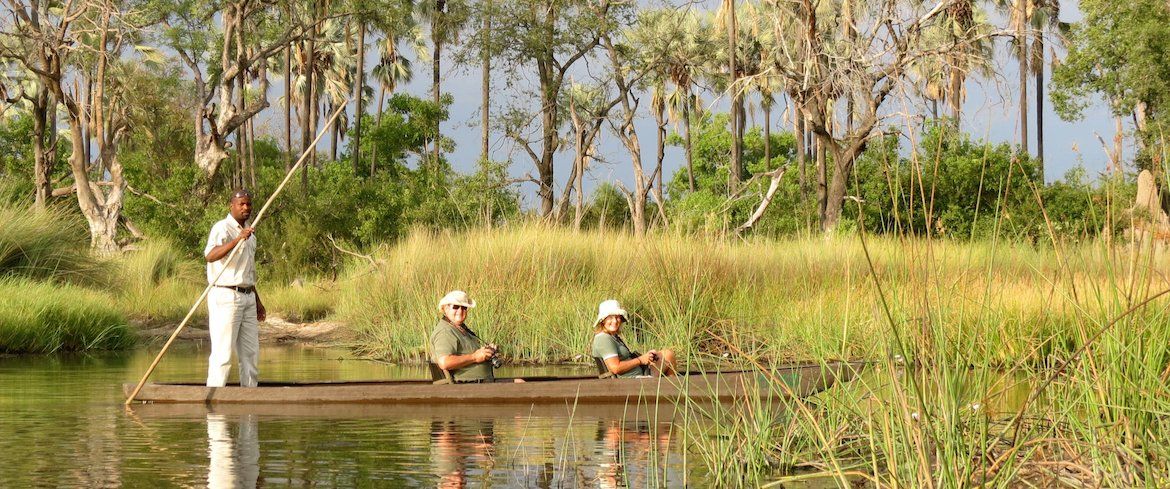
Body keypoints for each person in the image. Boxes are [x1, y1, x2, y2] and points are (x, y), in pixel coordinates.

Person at [204, 189, 266, 388]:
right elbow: (210, 255)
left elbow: (247, 271)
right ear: (232, 206)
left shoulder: (251, 233)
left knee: (250, 353)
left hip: (247, 295)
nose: (246, 208)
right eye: (242, 204)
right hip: (225, 295)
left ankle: (248, 396)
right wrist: (238, 239)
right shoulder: (222, 228)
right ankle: (214, 396)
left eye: (248, 204)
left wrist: (257, 301)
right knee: (223, 353)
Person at [590, 300, 676, 377]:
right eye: (610, 318)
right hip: (631, 383)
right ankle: (672, 391)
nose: (615, 321)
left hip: (638, 376)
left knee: (667, 355)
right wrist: (640, 360)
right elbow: (615, 368)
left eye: (617, 317)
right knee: (668, 355)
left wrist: (646, 357)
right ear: (603, 320)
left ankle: (669, 390)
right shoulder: (603, 339)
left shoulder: (612, 336)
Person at [430, 290, 498, 383]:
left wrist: (486, 352)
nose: (460, 311)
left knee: (520, 381)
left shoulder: (461, 328)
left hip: (480, 384)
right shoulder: (445, 331)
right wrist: (475, 357)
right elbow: (444, 362)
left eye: (464, 307)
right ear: (445, 308)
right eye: (456, 307)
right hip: (463, 387)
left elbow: (469, 352)